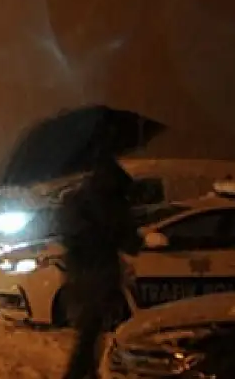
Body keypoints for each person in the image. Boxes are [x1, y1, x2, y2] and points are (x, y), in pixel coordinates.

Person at [58, 156, 142, 379]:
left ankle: (88, 372)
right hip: (99, 273)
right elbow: (129, 241)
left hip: (80, 272)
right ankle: (77, 374)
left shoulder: (76, 199)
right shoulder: (111, 202)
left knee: (89, 331)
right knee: (91, 333)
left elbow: (68, 236)